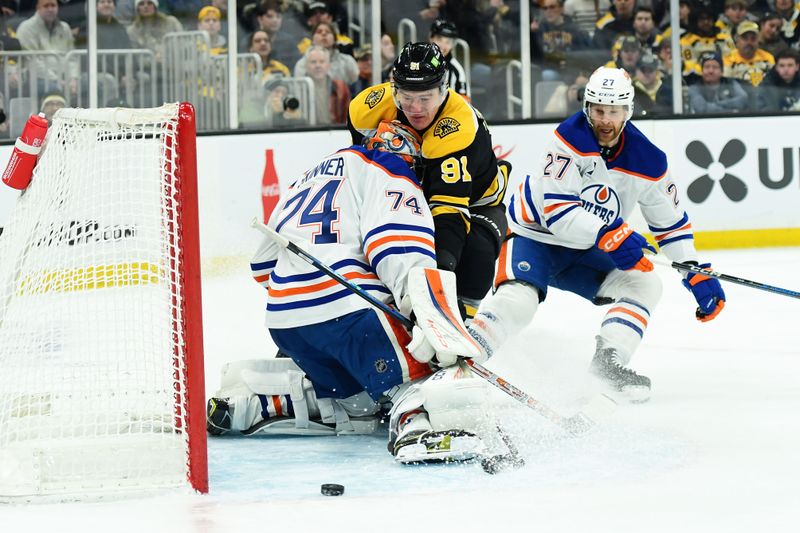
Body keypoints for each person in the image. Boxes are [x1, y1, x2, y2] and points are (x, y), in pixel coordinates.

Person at [206, 120, 494, 464]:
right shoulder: (389, 169)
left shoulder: (309, 175)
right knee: (418, 376)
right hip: (348, 309)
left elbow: (262, 267)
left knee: (358, 407)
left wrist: (305, 296)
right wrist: (426, 315)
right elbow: (397, 248)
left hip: (285, 318)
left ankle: (252, 405)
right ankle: (418, 429)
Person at [467, 66, 726, 403]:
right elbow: (557, 214)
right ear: (587, 107)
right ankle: (464, 359)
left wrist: (692, 269)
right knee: (519, 301)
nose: (605, 120)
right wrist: (612, 233)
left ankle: (608, 363)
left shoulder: (648, 160)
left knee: (645, 283)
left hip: (586, 247)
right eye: (599, 110)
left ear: (628, 111)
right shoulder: (568, 138)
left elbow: (671, 224)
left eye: (614, 112)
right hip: (534, 237)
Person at [348, 42, 510, 321]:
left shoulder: (456, 126)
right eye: (407, 97)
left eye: (425, 98)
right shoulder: (367, 108)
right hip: (413, 195)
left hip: (475, 203)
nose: (416, 108)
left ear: (443, 89)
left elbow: (450, 214)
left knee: (476, 258)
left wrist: (440, 279)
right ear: (394, 89)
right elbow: (358, 173)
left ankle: (459, 325)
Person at [302, 44, 351, 125]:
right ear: (306, 66)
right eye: (313, 62)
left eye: (322, 61)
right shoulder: (299, 88)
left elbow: (346, 118)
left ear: (329, 65)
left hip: (335, 133)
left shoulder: (340, 87)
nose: (318, 65)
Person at [429, 19, 470, 98]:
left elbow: (465, 103)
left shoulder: (456, 70)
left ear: (453, 45)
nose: (443, 46)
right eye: (439, 39)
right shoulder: (417, 60)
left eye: (448, 42)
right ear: (431, 38)